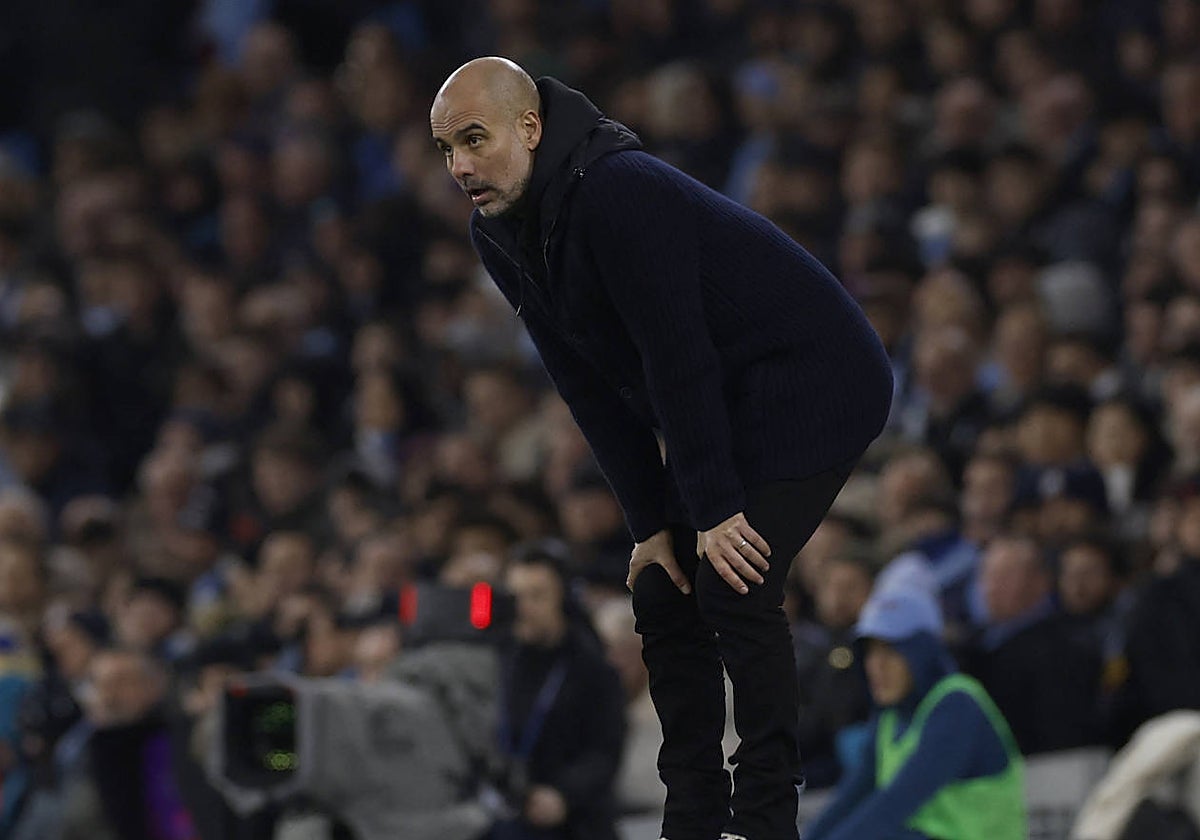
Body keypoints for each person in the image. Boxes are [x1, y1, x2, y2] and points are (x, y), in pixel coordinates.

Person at [430, 57, 893, 840]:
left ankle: (768, 820)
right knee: (659, 586)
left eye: (475, 139)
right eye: (446, 149)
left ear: (531, 127)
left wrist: (712, 509)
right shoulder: (496, 230)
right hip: (727, 393)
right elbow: (587, 384)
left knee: (733, 575)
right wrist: (651, 527)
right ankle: (694, 821)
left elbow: (678, 356)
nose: (461, 166)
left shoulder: (620, 189)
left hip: (815, 376)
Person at [804, 587, 1026, 840]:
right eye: (870, 651)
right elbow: (851, 797)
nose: (876, 666)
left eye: (891, 650)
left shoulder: (957, 704)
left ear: (920, 652)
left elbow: (895, 804)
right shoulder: (889, 717)